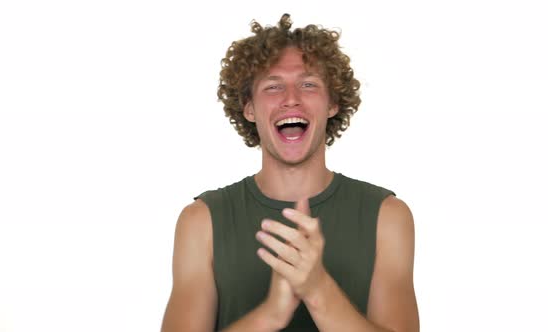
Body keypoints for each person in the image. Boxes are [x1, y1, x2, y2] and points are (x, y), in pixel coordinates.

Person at [161, 13, 419, 332]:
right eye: (273, 86)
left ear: (332, 103)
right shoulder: (201, 221)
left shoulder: (387, 216)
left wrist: (318, 289)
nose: (291, 98)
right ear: (250, 108)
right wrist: (272, 313)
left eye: (308, 84)